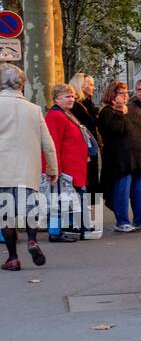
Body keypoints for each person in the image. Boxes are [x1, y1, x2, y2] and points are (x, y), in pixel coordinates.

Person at [0, 65, 58, 270]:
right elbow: (47, 142)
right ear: (22, 84)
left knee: (6, 216)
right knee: (29, 210)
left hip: (3, 170)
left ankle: (13, 258)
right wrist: (52, 169)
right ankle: (32, 240)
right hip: (28, 169)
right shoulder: (34, 109)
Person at [98, 80, 141, 232]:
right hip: (121, 160)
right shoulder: (107, 112)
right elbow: (115, 130)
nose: (125, 96)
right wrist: (119, 111)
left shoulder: (132, 110)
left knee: (139, 190)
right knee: (122, 189)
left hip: (139, 158)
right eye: (121, 93)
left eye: (126, 92)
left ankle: (140, 219)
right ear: (112, 95)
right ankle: (122, 221)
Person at [45, 83, 91, 241]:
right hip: (66, 168)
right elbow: (53, 144)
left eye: (72, 96)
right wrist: (54, 168)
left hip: (73, 166)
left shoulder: (65, 113)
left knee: (66, 199)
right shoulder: (55, 116)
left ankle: (72, 228)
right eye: (67, 96)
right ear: (57, 98)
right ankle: (56, 232)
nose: (72, 99)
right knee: (59, 199)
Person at [68, 73, 102, 207]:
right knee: (86, 182)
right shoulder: (78, 106)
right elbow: (89, 124)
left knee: (91, 181)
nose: (93, 88)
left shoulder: (87, 104)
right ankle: (88, 219)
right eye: (91, 84)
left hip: (88, 147)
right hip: (84, 149)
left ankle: (91, 218)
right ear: (81, 85)